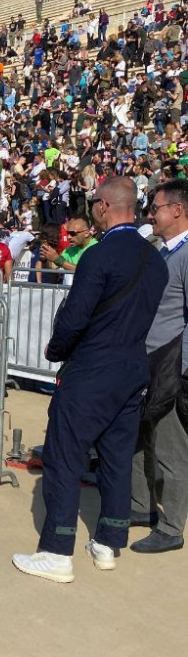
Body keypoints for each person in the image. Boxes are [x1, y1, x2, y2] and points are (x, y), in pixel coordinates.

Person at [13, 177, 168, 583]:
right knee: (116, 459)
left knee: (64, 456)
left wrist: (55, 350)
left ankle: (56, 550)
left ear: (102, 206)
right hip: (132, 369)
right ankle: (108, 542)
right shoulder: (155, 258)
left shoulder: (99, 256)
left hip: (92, 370)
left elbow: (74, 316)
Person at [130, 179, 188, 553]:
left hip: (171, 368)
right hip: (148, 363)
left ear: (178, 210)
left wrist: (182, 371)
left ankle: (171, 527)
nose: (151, 214)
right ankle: (140, 505)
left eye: (156, 208)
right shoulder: (164, 252)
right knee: (141, 439)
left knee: (170, 448)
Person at [40, 215, 97, 286]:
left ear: (86, 233)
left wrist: (57, 259)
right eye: (68, 233)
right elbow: (54, 267)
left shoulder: (96, 248)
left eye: (73, 234)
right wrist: (47, 257)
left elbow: (86, 271)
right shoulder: (69, 249)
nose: (69, 237)